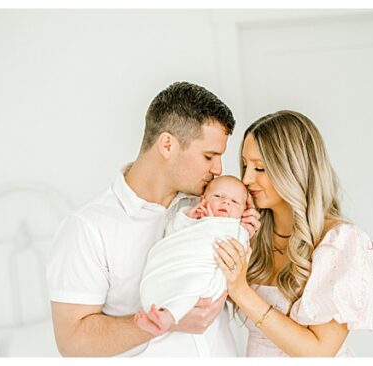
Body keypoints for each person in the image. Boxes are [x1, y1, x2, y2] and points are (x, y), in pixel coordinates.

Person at [47, 81, 260, 357]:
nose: (218, 169)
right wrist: (165, 322)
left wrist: (240, 240)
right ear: (167, 144)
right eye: (209, 156)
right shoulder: (87, 229)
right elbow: (72, 341)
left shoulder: (210, 208)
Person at [214, 110, 373, 357]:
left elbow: (319, 352)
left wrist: (241, 291)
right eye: (245, 165)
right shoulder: (251, 233)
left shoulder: (340, 243)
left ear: (293, 169)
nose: (247, 178)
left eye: (260, 168)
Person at [135, 175, 251, 334]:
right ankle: (154, 308)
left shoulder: (236, 229)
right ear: (203, 199)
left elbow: (239, 255)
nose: (226, 202)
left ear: (244, 211)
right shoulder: (193, 216)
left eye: (235, 202)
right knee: (174, 284)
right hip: (179, 264)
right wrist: (189, 219)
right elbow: (174, 235)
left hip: (206, 275)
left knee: (192, 287)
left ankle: (167, 318)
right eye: (218, 196)